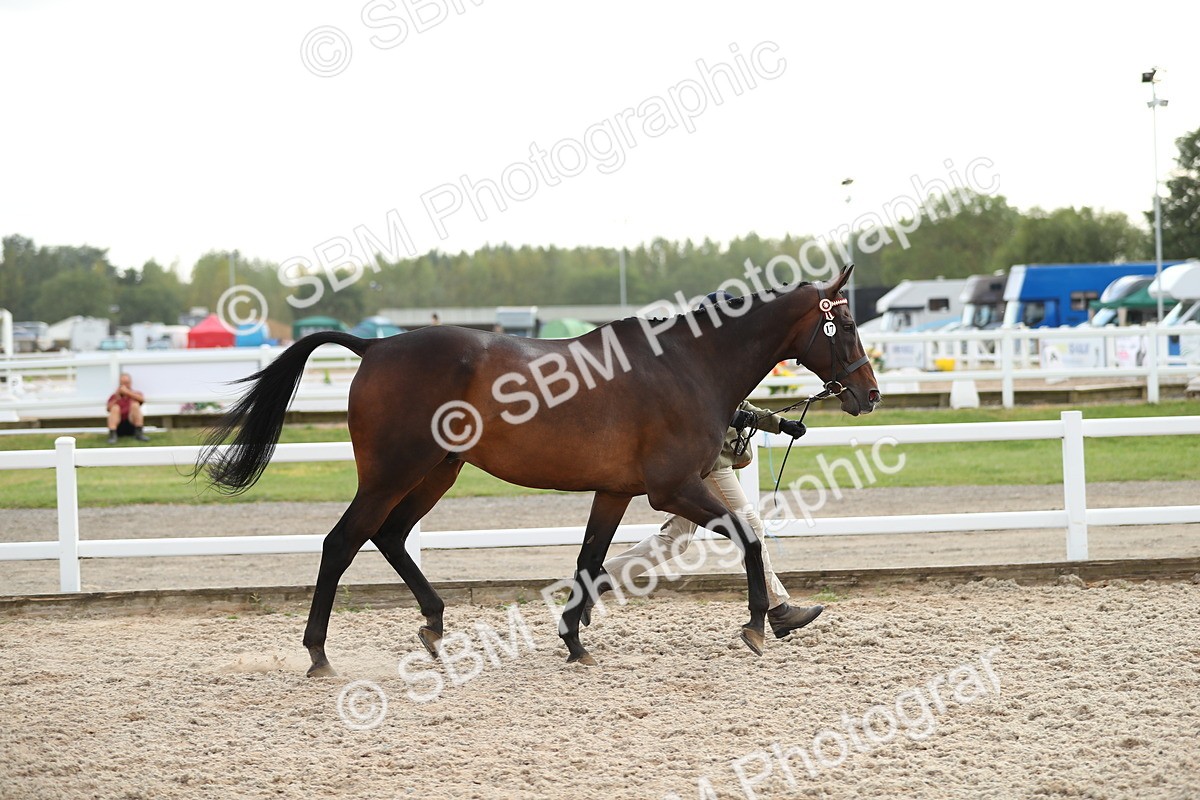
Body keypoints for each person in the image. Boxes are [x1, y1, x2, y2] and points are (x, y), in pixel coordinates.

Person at [598, 292, 823, 640]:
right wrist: (751, 418)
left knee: (674, 540)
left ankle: (596, 581)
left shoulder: (711, 358)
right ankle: (778, 610)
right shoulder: (692, 360)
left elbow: (737, 403)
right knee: (750, 526)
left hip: (705, 461)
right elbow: (713, 409)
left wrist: (779, 424)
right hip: (708, 464)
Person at [106, 373, 150, 444]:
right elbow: (108, 409)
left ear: (130, 383)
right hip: (119, 426)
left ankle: (139, 434)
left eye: (127, 383)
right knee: (115, 408)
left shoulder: (136, 394)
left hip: (132, 424)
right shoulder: (114, 396)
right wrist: (117, 398)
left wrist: (128, 393)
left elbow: (142, 400)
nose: (125, 385)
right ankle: (112, 435)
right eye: (123, 383)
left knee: (135, 405)